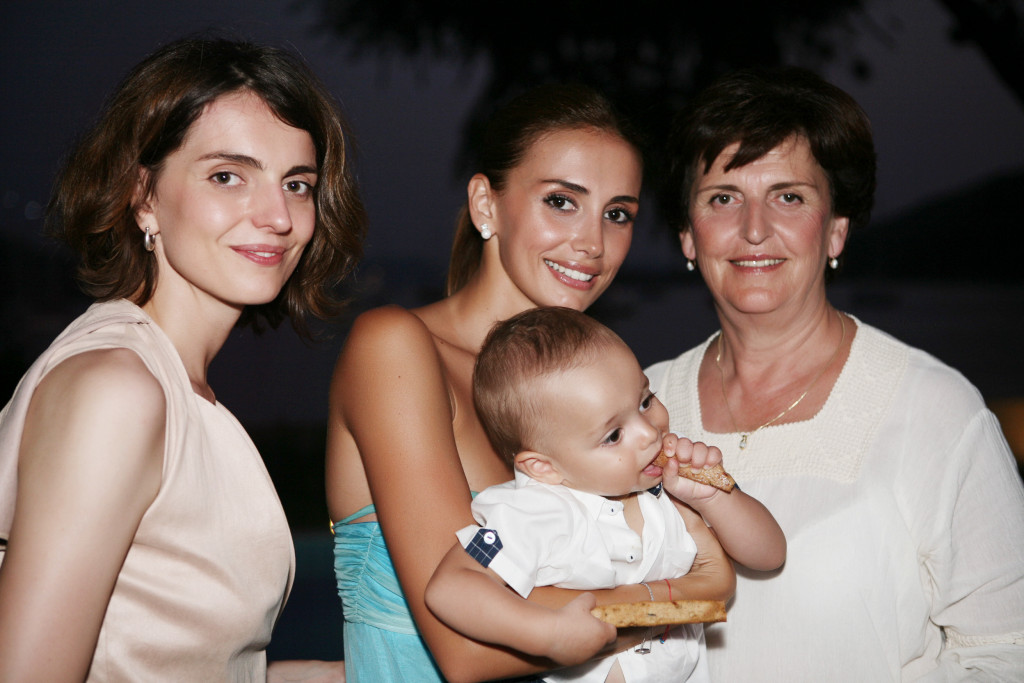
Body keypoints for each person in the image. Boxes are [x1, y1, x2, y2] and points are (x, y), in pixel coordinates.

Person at [326, 84, 734, 683]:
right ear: (485, 204)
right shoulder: (395, 348)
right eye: (562, 202)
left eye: (617, 214)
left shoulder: (595, 397)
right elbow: (463, 647)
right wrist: (680, 600)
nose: (593, 244)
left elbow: (696, 573)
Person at [0, 37, 365, 681]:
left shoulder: (167, 385)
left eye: (297, 184)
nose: (278, 216)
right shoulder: (117, 389)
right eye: (228, 176)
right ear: (144, 196)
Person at [646, 65, 1024, 680]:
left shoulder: (932, 409)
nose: (754, 229)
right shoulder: (638, 406)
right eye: (723, 198)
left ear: (835, 231)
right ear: (689, 235)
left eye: (789, 197)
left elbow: (1007, 651)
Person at [425, 306, 785, 683]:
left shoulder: (668, 492)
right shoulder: (536, 511)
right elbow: (452, 586)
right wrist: (547, 634)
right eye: (613, 435)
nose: (649, 433)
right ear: (544, 468)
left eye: (645, 401)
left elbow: (769, 555)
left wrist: (714, 498)